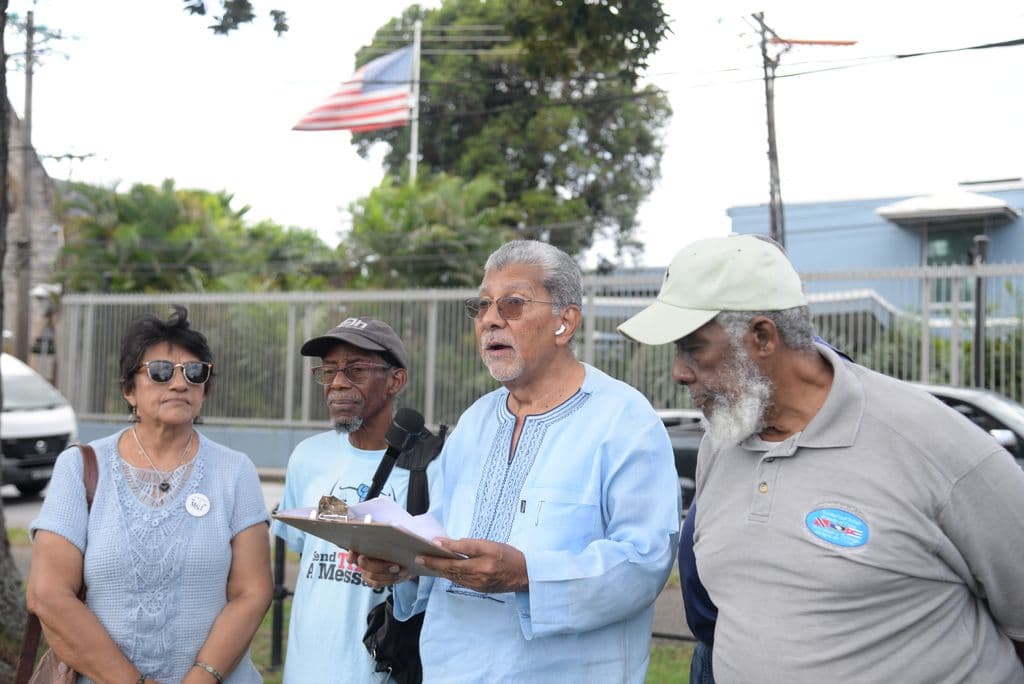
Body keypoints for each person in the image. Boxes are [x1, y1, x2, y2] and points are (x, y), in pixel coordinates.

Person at [618, 234, 1024, 682]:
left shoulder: (934, 444)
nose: (678, 371)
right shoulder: (724, 437)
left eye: (693, 347)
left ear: (762, 337)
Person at [354, 239, 681, 682]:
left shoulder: (624, 420)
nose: (490, 320)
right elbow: (442, 536)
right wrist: (401, 567)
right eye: (484, 305)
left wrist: (527, 576)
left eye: (512, 304)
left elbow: (645, 561)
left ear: (564, 322)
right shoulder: (475, 421)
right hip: (453, 667)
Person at [27, 305, 272, 683]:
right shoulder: (79, 467)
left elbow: (252, 592)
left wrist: (201, 678)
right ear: (129, 390)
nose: (179, 384)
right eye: (160, 372)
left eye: (194, 372)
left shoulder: (234, 470)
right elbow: (48, 594)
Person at [270, 316, 441, 683]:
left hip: (385, 670)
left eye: (356, 369)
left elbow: (443, 575)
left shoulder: (433, 467)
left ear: (396, 380)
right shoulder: (307, 456)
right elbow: (312, 555)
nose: (337, 383)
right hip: (306, 670)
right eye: (328, 371)